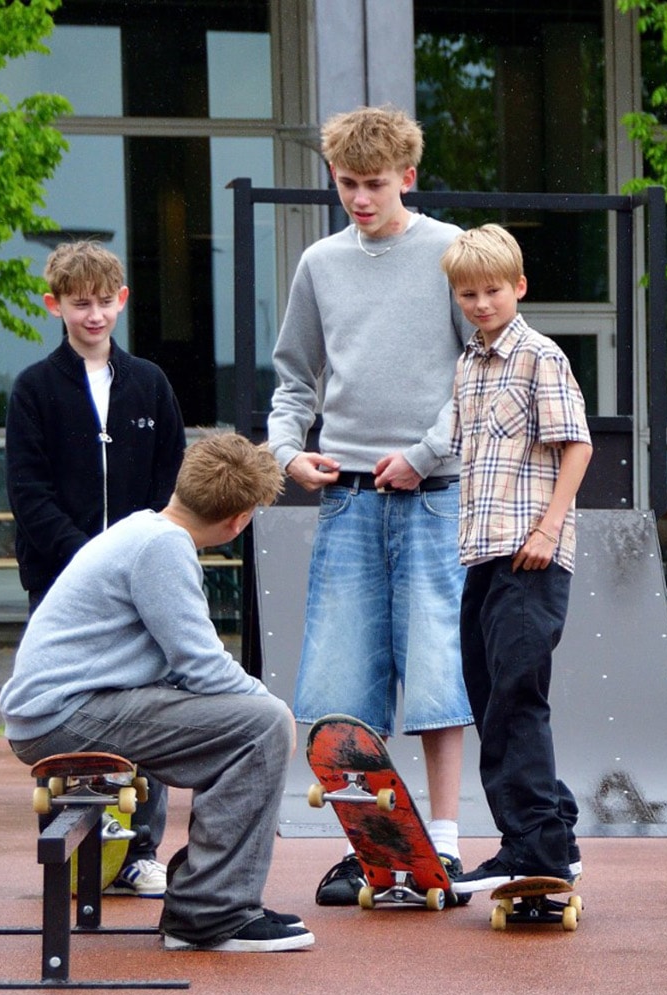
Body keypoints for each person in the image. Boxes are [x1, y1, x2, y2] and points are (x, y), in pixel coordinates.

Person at [266, 105, 474, 905]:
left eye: (375, 185)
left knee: (435, 673)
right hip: (347, 497)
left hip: (434, 495)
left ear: (408, 179)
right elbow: (293, 380)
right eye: (347, 184)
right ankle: (369, 848)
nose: (360, 198)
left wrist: (424, 456)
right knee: (343, 682)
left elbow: (477, 372)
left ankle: (446, 846)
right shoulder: (320, 263)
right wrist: (288, 453)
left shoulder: (448, 253)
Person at [0, 433, 311, 953]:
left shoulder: (145, 529)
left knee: (249, 723)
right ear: (239, 520)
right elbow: (203, 667)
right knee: (263, 726)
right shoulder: (163, 548)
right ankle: (210, 913)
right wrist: (274, 707)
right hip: (65, 715)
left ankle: (209, 901)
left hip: (58, 709)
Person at [5, 240, 186, 900]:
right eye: (79, 304)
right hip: (60, 585)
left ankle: (140, 848)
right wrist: (88, 561)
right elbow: (28, 492)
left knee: (151, 704)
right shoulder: (34, 390)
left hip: (142, 589)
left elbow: (171, 480)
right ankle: (70, 845)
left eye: (104, 303)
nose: (93, 316)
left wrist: (144, 562)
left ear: (122, 302)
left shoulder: (150, 385)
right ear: (54, 305)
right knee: (66, 707)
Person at [436, 224, 592, 892]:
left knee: (515, 701)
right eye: (467, 293)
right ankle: (554, 825)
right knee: (489, 694)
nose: (480, 303)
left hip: (531, 555)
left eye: (492, 290)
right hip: (482, 554)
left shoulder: (540, 356)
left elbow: (577, 445)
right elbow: (452, 447)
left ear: (519, 287)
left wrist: (549, 530)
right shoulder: (469, 363)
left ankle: (530, 847)